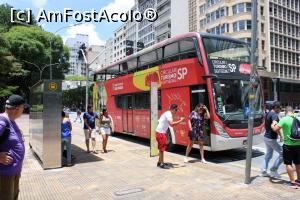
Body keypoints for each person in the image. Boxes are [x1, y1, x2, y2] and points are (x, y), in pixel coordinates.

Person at [0, 94, 25, 200]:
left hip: (13, 172)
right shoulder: (2, 122)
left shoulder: (11, 121)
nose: (23, 111)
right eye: (23, 108)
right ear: (17, 109)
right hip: (4, 175)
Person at [272, 106, 300, 189]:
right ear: (293, 111)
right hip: (299, 145)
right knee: (298, 163)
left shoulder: (284, 119)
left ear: (285, 112)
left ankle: (293, 183)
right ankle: (299, 180)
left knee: (288, 164)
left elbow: (275, 129)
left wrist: (273, 124)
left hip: (288, 145)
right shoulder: (298, 118)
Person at [156, 104, 184, 169]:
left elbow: (159, 121)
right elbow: (171, 124)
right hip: (161, 133)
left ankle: (159, 162)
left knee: (161, 149)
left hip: (159, 132)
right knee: (162, 149)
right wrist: (181, 120)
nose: (176, 111)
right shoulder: (169, 114)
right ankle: (161, 164)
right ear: (173, 109)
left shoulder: (166, 113)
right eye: (176, 109)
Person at [259, 101, 283, 178]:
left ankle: (263, 171)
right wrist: (281, 135)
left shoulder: (268, 113)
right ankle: (273, 170)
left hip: (266, 137)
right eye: (280, 108)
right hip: (271, 138)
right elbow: (275, 126)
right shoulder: (275, 115)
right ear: (276, 108)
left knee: (268, 154)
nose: (280, 110)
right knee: (283, 154)